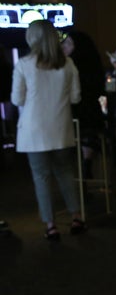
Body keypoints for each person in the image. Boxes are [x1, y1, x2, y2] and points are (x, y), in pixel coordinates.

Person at [11, 19, 87, 241]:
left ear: (31, 38)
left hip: (33, 133)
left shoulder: (24, 64)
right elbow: (75, 97)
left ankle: (51, 225)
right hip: (61, 129)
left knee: (41, 177)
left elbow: (16, 99)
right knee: (65, 173)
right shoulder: (68, 64)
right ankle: (76, 217)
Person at [60, 30, 106, 182]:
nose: (64, 47)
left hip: (74, 112)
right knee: (88, 135)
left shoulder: (68, 65)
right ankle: (87, 164)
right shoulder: (93, 63)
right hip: (92, 112)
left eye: (68, 43)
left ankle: (81, 176)